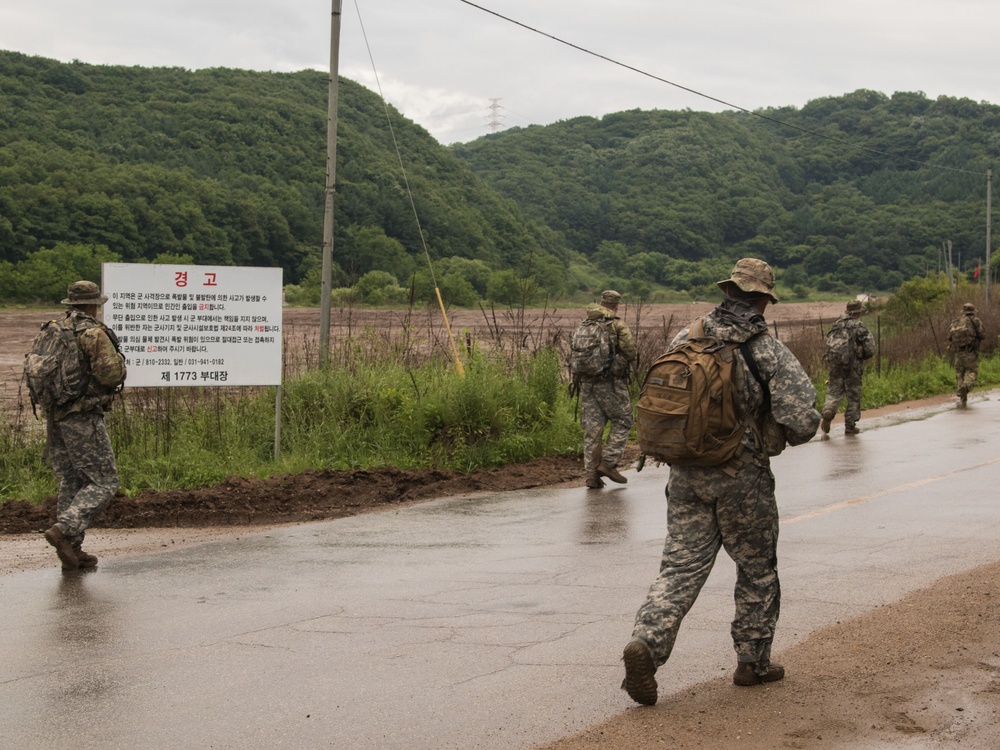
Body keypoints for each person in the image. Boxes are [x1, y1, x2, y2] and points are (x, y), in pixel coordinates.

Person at [621, 258, 819, 706]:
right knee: (756, 568)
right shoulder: (766, 349)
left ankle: (646, 645)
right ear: (762, 300)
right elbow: (801, 421)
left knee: (679, 568)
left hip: (686, 474)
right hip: (742, 477)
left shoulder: (685, 337)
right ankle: (753, 662)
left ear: (729, 291)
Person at [42, 280, 127, 571]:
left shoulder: (53, 330)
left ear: (70, 303)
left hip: (56, 416)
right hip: (83, 416)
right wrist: (122, 364)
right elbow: (110, 375)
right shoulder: (92, 332)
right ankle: (64, 530)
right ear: (94, 305)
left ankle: (73, 551)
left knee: (71, 481)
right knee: (104, 482)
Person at [578, 290, 637, 489]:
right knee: (623, 420)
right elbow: (630, 351)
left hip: (586, 384)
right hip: (609, 383)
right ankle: (609, 463)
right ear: (617, 305)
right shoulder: (617, 325)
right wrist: (617, 366)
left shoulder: (586, 324)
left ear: (601, 303)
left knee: (592, 429)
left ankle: (591, 476)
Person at [820, 300, 876, 435]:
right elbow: (870, 349)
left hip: (835, 365)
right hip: (853, 366)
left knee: (834, 392)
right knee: (853, 395)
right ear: (859, 311)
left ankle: (828, 411)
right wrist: (862, 354)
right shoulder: (859, 326)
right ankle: (850, 426)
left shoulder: (836, 324)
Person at [947, 302, 985, 406]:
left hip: (958, 353)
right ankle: (966, 387)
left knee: (960, 373)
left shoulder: (956, 321)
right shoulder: (976, 321)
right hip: (971, 352)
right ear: (973, 311)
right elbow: (982, 335)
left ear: (963, 312)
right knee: (972, 372)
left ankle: (961, 395)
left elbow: (949, 337)